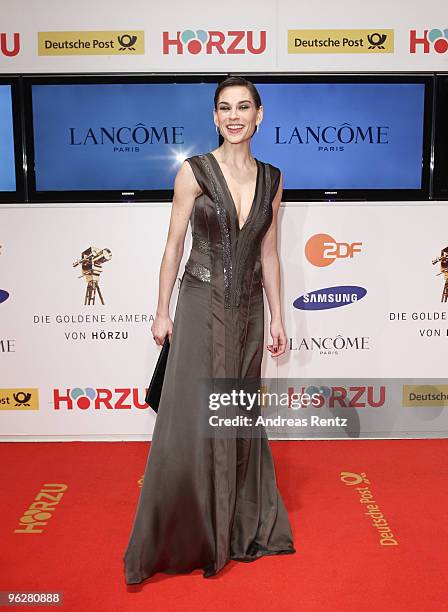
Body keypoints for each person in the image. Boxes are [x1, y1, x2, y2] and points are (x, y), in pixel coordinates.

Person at [123, 76, 295, 584]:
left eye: (244, 106)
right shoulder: (193, 172)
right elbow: (173, 247)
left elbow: (268, 253)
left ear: (260, 115)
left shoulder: (273, 178)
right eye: (225, 108)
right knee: (193, 417)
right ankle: (192, 528)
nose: (234, 115)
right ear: (215, 117)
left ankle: (236, 522)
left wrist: (279, 316)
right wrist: (162, 310)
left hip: (248, 314)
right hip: (199, 306)